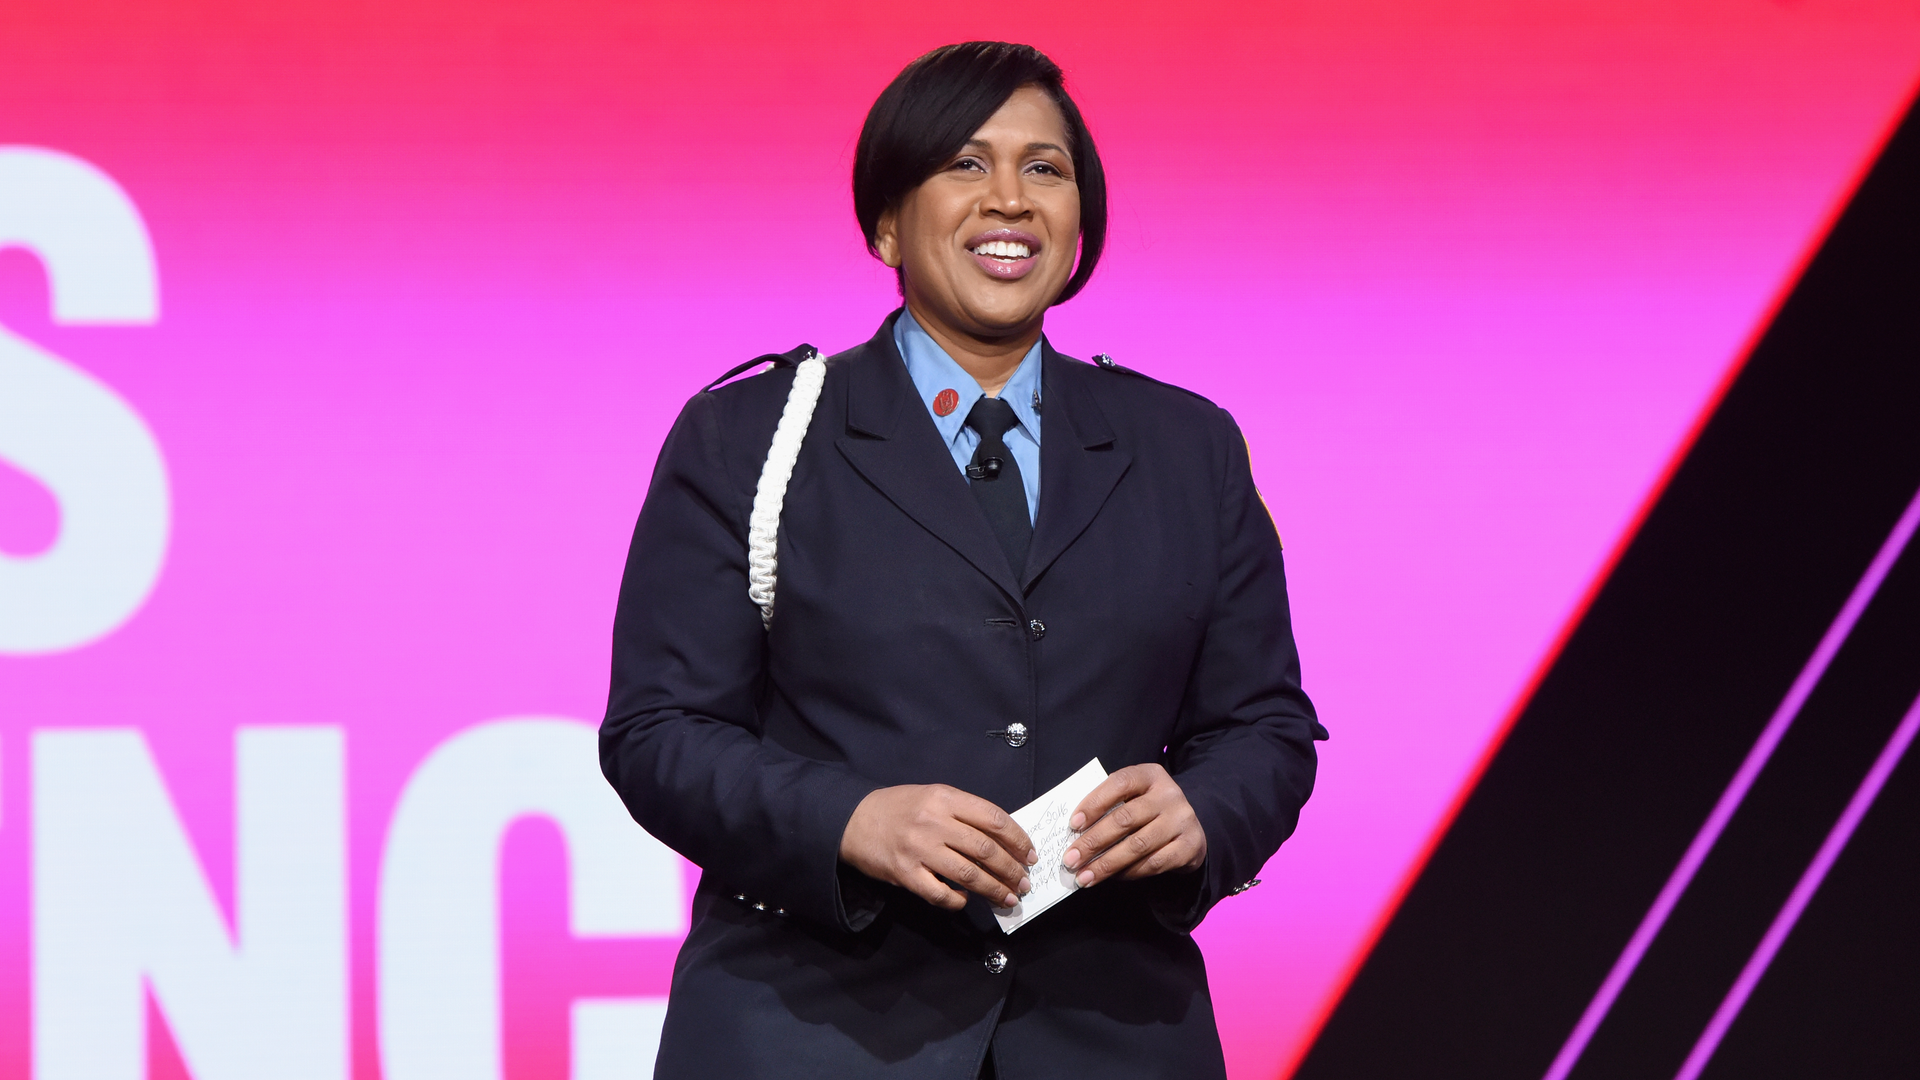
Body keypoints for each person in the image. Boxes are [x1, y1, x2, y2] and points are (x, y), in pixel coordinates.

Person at [601, 40, 1323, 1080]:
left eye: (1046, 168)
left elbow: (1267, 725)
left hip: (1110, 1037)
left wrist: (1201, 813)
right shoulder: (752, 437)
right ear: (888, 221)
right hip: (815, 1029)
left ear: (1082, 223)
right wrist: (851, 821)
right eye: (966, 165)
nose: (1011, 200)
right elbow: (658, 733)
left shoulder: (1187, 446)